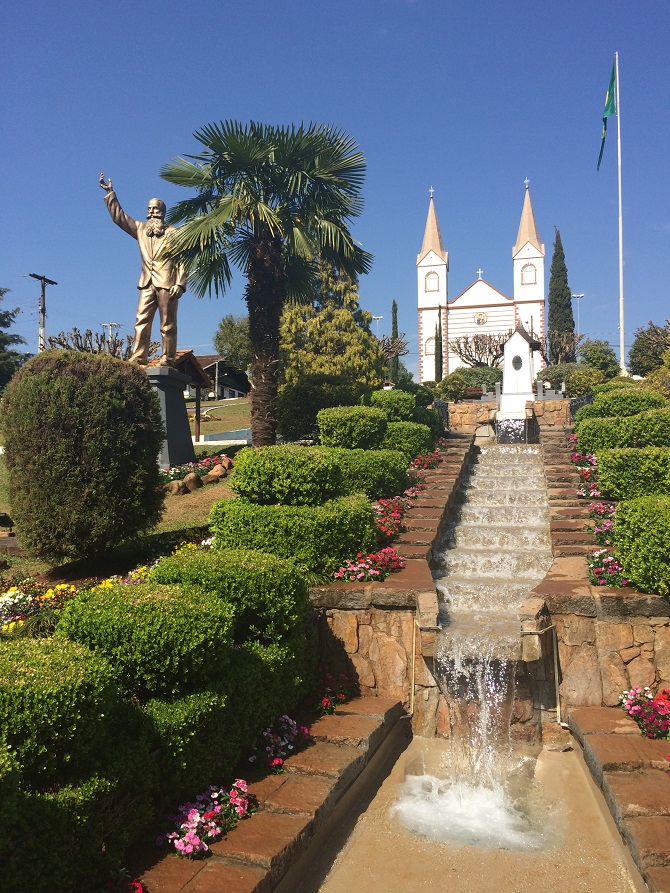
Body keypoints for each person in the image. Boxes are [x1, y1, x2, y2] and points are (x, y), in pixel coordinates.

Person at [99, 173, 187, 366]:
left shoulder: (175, 233)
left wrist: (180, 283)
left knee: (167, 325)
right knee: (141, 321)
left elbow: (183, 260)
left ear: (163, 212)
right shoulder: (140, 229)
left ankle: (168, 358)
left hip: (167, 284)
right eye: (149, 209)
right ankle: (139, 357)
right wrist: (110, 194)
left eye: (155, 209)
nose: (151, 212)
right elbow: (119, 218)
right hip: (146, 283)